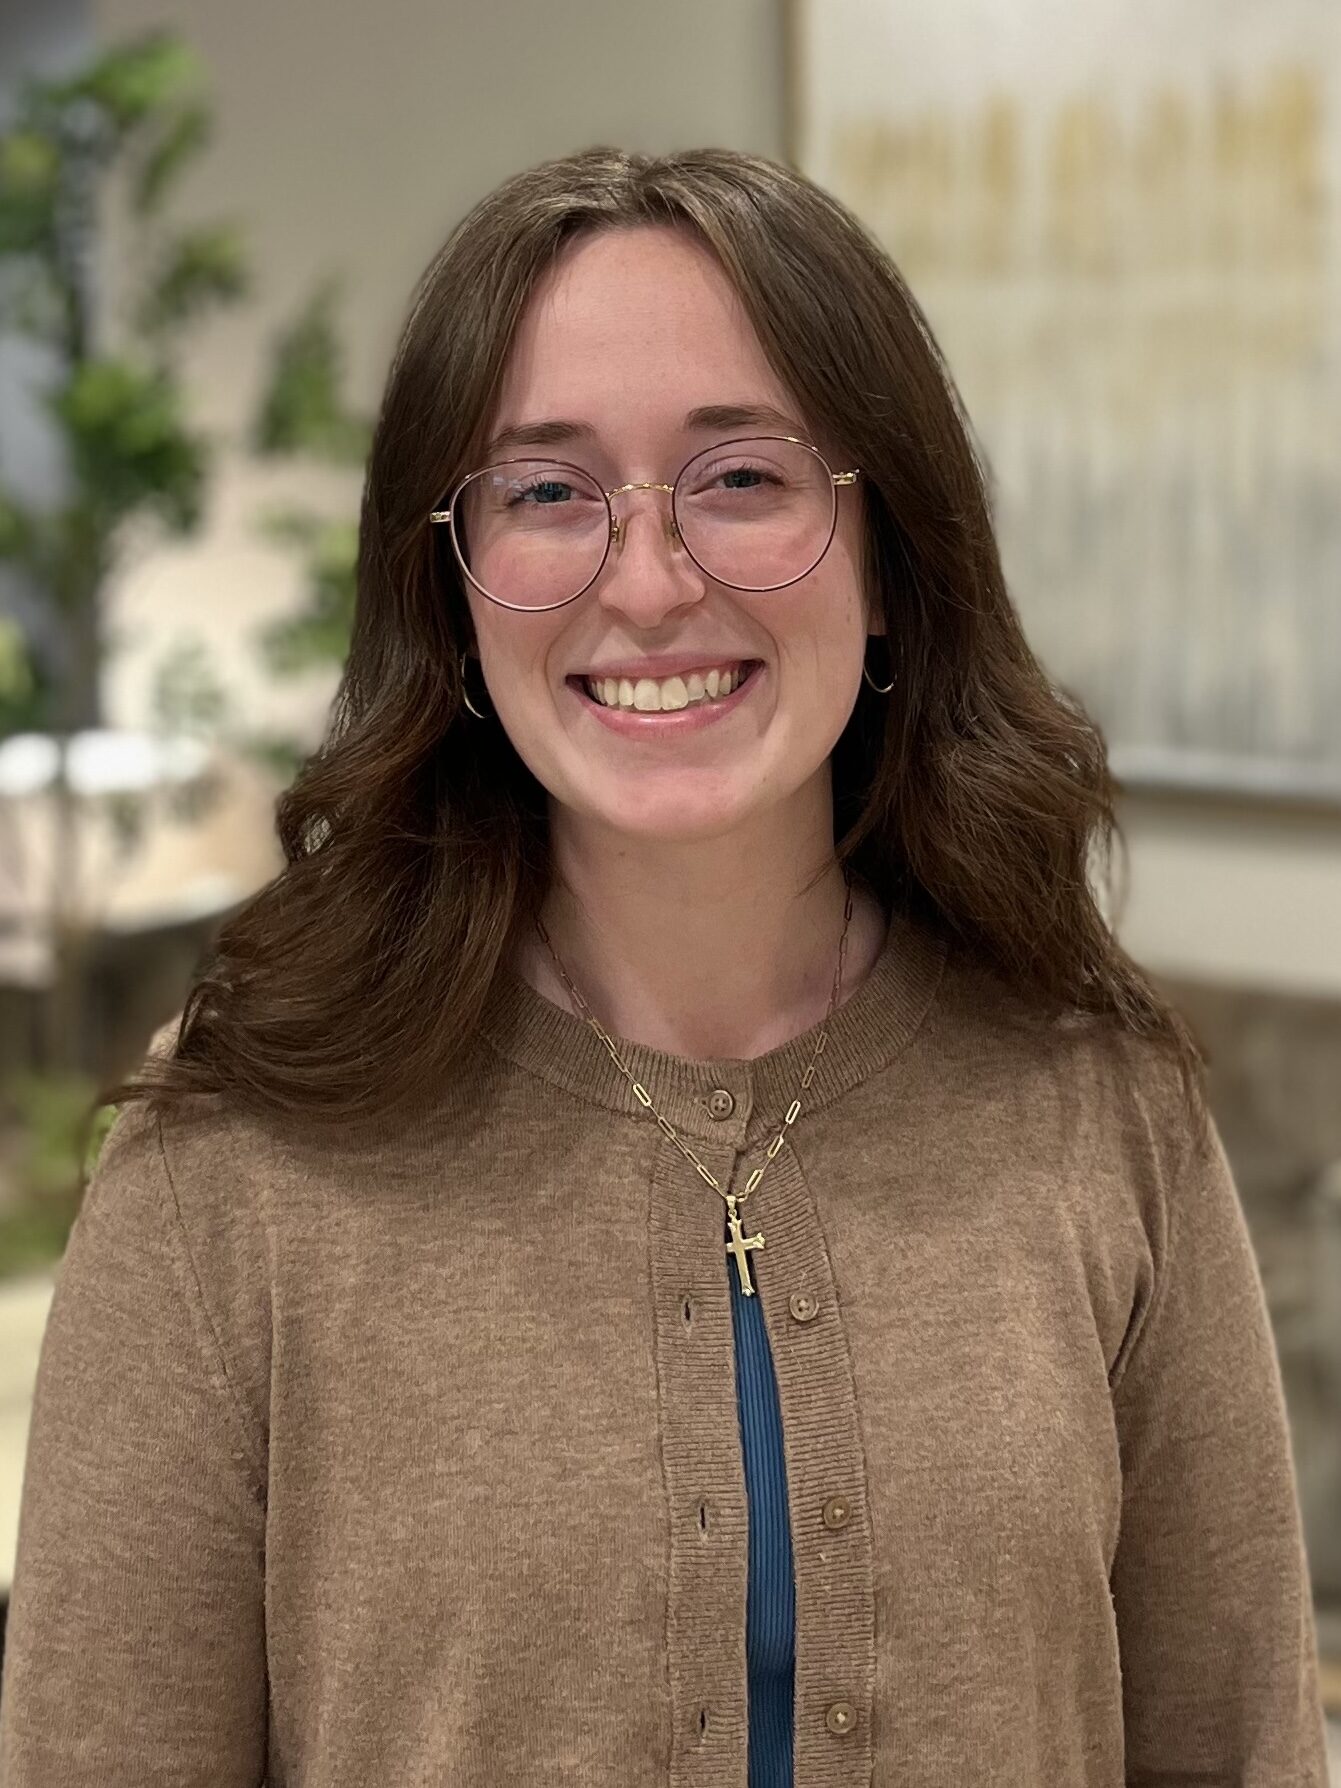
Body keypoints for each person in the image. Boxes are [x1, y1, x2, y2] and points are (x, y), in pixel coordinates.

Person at [0, 146, 1329, 1788]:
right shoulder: (230, 1165)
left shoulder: (1098, 1106)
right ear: (451, 582)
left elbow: (1243, 1749)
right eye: (546, 492)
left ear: (893, 552)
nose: (645, 582)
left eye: (742, 478)